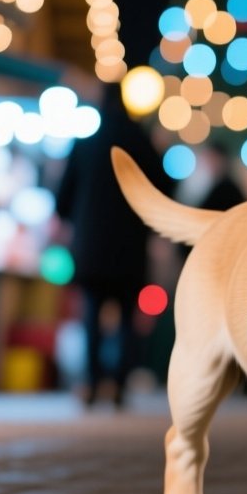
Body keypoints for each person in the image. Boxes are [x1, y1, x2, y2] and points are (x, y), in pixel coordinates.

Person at [56, 87, 165, 407]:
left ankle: (91, 383)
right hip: (130, 245)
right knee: (129, 318)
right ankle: (118, 384)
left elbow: (63, 198)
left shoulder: (86, 143)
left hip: (91, 246)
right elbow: (164, 189)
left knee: (91, 314)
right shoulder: (142, 144)